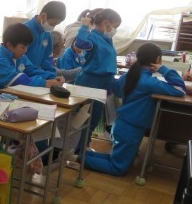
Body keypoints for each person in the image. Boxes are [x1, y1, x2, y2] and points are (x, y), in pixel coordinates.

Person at [72, 43, 186, 176]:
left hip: (123, 124)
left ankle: (80, 155)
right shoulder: (148, 82)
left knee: (117, 159)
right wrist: (164, 69)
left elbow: (117, 90)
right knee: (118, 168)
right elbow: (180, 89)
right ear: (157, 59)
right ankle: (77, 158)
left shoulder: (131, 75)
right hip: (131, 128)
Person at [73, 8, 122, 145]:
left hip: (103, 83)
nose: (115, 30)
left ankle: (84, 147)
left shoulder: (107, 39)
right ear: (106, 23)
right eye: (115, 26)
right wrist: (84, 26)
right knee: (84, 119)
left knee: (94, 119)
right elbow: (80, 44)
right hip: (90, 82)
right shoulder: (93, 37)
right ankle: (78, 149)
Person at [0, 23, 63, 92]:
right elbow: (17, 80)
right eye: (23, 47)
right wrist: (45, 83)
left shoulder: (20, 56)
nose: (25, 50)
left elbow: (33, 71)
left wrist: (52, 77)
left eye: (27, 47)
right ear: (9, 45)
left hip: (10, 95)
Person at [23, 0, 67, 74]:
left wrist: (52, 74)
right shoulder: (25, 30)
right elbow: (20, 59)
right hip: (25, 74)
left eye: (56, 25)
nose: (53, 27)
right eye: (53, 24)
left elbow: (47, 58)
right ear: (43, 16)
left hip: (36, 74)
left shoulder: (47, 33)